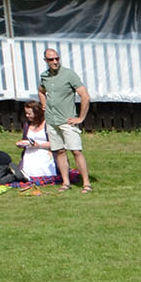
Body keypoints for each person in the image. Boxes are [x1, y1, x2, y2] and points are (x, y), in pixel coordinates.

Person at [38, 48, 92, 192]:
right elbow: (41, 90)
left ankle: (86, 183)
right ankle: (66, 182)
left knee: (76, 151)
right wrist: (43, 103)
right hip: (51, 120)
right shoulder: (44, 76)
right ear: (46, 61)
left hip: (67, 120)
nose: (55, 62)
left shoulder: (69, 75)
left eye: (57, 58)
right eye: (51, 59)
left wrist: (80, 118)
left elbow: (85, 96)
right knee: (59, 151)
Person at [16, 101, 58, 185]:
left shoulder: (47, 124)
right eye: (26, 113)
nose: (27, 116)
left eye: (29, 114)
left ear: (37, 113)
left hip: (46, 151)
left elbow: (56, 143)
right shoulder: (27, 125)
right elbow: (25, 140)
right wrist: (21, 144)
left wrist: (39, 145)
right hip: (29, 153)